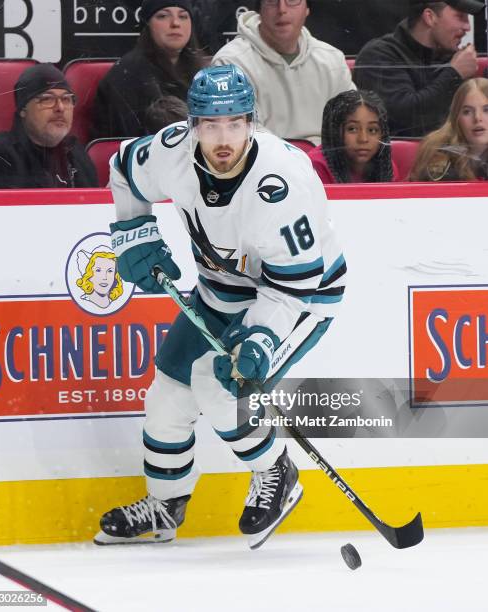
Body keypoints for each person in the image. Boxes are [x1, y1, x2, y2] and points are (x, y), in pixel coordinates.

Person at [94, 65, 346, 549]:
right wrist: (133, 233)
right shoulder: (171, 152)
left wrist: (261, 338)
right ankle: (165, 506)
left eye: (234, 124)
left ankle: (277, 473)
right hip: (219, 289)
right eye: (210, 125)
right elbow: (123, 169)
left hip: (300, 297)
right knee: (167, 397)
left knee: (218, 384)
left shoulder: (284, 183)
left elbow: (295, 287)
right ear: (193, 126)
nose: (223, 138)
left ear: (253, 122)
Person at [212, 0, 355, 144]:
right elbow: (242, 138)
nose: (282, 9)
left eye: (292, 1)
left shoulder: (332, 59)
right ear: (259, 10)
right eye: (272, 1)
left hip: (327, 163)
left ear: (307, 9)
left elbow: (353, 123)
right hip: (266, 164)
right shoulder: (230, 65)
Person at [353, 0, 485, 138]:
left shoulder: (452, 58)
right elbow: (404, 122)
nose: (467, 27)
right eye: (460, 17)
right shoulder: (379, 55)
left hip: (450, 155)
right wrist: (454, 74)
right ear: (430, 17)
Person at [90, 0, 206, 140]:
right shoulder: (127, 75)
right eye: (163, 16)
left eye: (183, 16)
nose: (175, 23)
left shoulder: (202, 73)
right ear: (147, 24)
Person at [0, 64, 98, 189]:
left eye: (66, 99)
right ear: (23, 109)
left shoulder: (77, 154)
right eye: (47, 99)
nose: (60, 108)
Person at [309, 90, 400, 183]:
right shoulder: (315, 166)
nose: (363, 139)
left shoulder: (386, 167)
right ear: (335, 131)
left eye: (372, 130)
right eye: (352, 129)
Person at [410, 77, 488, 180]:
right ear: (456, 118)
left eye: (486, 110)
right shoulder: (439, 153)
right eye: (467, 112)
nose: (477, 118)